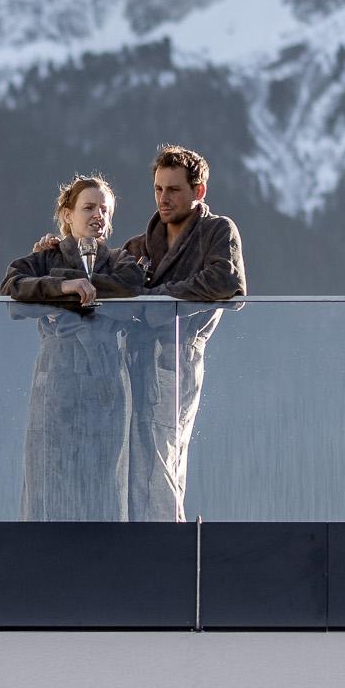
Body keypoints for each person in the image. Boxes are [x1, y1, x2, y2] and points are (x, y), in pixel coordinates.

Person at [0, 175, 145, 520]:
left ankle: (101, 551)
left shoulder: (119, 261)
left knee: (103, 478)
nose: (98, 215)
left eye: (105, 210)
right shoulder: (45, 258)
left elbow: (131, 287)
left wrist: (60, 290)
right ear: (67, 214)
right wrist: (66, 286)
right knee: (49, 476)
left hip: (104, 381)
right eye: (89, 207)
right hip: (57, 380)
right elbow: (12, 288)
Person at [118, 144, 246, 520]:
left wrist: (154, 299)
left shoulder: (216, 231)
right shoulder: (142, 244)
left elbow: (226, 283)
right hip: (131, 359)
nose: (164, 198)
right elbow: (108, 281)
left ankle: (168, 542)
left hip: (178, 357)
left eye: (174, 189)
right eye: (158, 189)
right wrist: (56, 252)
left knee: (162, 457)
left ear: (198, 190)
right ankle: (137, 542)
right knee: (130, 463)